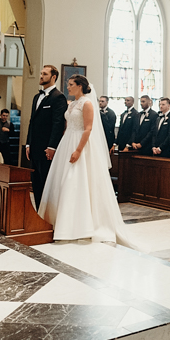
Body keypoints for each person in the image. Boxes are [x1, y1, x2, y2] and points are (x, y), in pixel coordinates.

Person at [37, 75, 140, 247]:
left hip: (80, 143)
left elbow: (88, 129)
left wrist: (78, 150)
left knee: (76, 181)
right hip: (67, 141)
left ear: (79, 86)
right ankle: (59, 221)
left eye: (70, 85)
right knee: (61, 182)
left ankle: (77, 227)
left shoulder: (87, 103)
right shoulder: (72, 104)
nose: (67, 87)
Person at [24, 65, 68, 207]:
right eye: (41, 73)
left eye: (45, 74)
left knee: (46, 183)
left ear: (53, 77)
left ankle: (47, 214)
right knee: (36, 183)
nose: (41, 76)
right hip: (34, 148)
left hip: (46, 149)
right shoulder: (37, 96)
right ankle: (39, 212)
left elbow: (58, 124)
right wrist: (28, 143)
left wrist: (52, 146)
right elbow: (32, 122)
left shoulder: (58, 97)